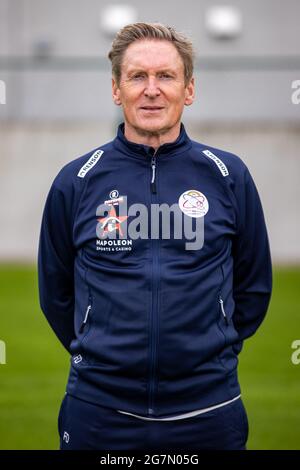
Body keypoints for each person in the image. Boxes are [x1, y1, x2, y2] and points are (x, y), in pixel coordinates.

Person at [37, 22, 272, 451]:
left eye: (165, 76)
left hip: (208, 410)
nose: (151, 90)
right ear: (115, 89)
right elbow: (55, 294)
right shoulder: (76, 181)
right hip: (99, 412)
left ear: (189, 89)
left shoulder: (228, 175)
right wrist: (102, 351)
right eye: (137, 76)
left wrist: (209, 350)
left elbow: (254, 286)